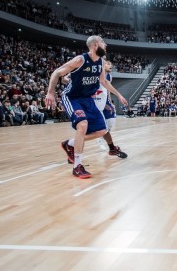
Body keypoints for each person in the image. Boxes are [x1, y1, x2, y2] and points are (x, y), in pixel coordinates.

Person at [45, 36, 128, 179]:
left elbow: (103, 82)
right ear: (95, 45)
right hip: (72, 97)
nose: (106, 45)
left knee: (102, 130)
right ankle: (77, 166)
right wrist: (50, 93)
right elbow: (57, 72)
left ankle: (69, 144)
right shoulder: (80, 60)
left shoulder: (101, 62)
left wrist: (118, 95)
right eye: (103, 43)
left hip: (88, 99)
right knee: (82, 125)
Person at [92, 60, 127, 158]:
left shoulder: (109, 77)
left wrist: (110, 102)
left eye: (111, 64)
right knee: (93, 128)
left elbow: (107, 91)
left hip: (104, 101)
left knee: (111, 121)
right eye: (108, 64)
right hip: (94, 101)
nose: (110, 66)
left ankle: (106, 141)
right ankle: (102, 140)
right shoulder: (95, 74)